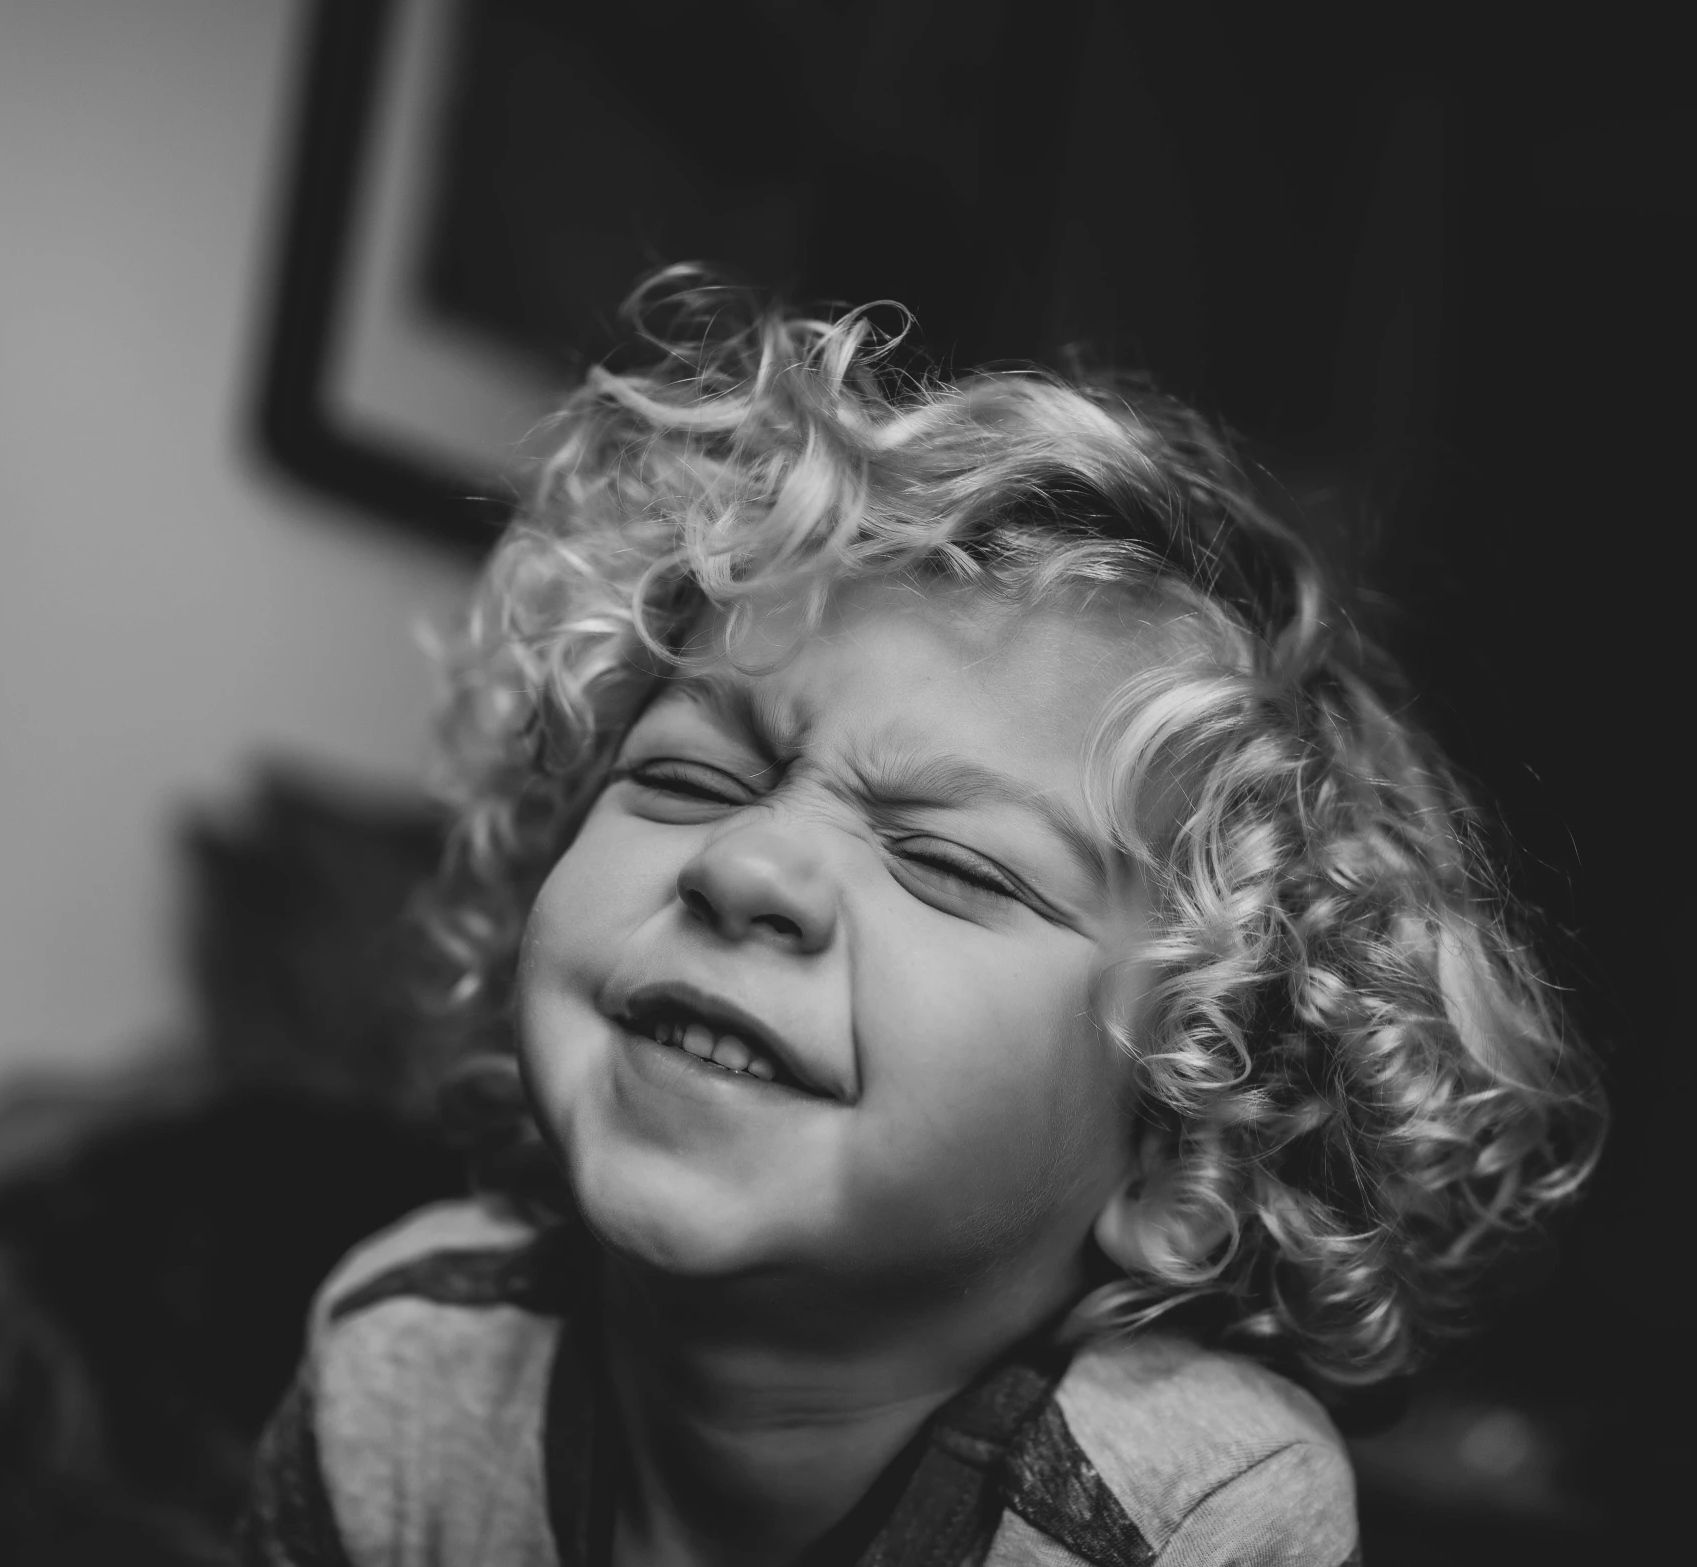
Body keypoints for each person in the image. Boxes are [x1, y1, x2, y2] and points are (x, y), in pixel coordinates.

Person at [235, 273, 1605, 1567]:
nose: (749, 864)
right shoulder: (402, 1366)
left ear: (1173, 1155)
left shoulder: (1179, 1512)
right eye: (688, 775)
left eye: (954, 864)